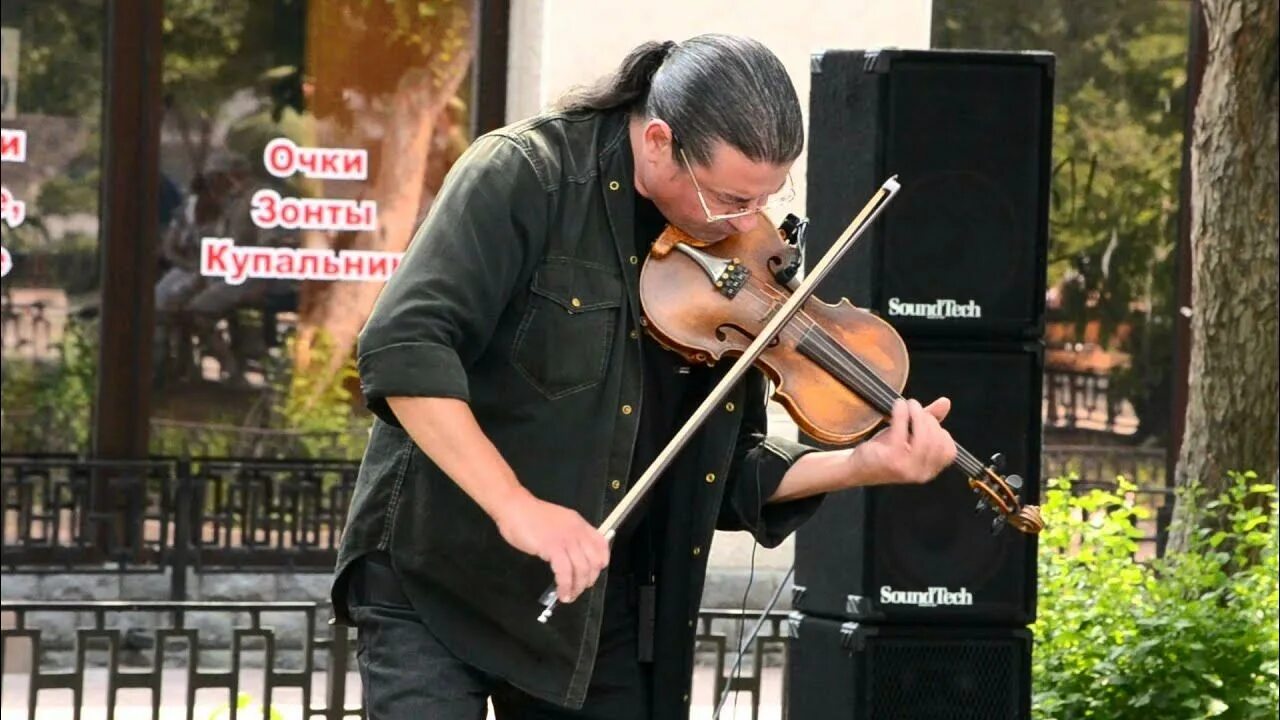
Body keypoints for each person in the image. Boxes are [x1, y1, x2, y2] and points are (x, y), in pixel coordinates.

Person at [331, 34, 958, 720]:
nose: (748, 224)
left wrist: (862, 463)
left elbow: (719, 471)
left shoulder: (736, 268)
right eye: (728, 199)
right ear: (658, 141)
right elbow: (403, 347)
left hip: (594, 599)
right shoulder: (525, 175)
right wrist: (519, 508)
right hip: (439, 569)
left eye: (765, 199)